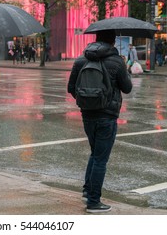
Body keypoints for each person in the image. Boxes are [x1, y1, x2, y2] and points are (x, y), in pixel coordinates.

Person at [67, 30, 132, 213]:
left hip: (87, 114)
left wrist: (86, 101)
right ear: (113, 41)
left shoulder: (81, 59)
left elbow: (71, 88)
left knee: (95, 153)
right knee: (100, 159)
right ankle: (93, 202)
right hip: (107, 115)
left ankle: (88, 191)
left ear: (96, 39)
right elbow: (126, 88)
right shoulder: (116, 61)